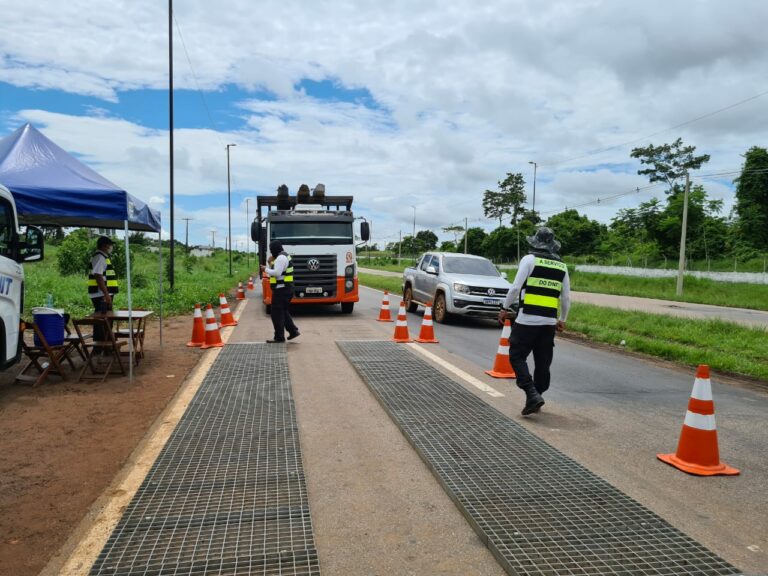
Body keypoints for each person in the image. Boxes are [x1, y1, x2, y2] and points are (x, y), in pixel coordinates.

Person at [499, 227, 570, 416]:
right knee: (543, 361)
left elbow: (515, 288)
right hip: (548, 323)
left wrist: (505, 308)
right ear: (552, 245)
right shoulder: (562, 266)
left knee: (516, 355)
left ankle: (531, 393)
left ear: (535, 242)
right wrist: (562, 319)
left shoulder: (529, 260)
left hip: (527, 320)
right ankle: (537, 394)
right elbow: (566, 298)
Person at [260, 240, 300, 343]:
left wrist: (265, 269)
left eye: (271, 249)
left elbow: (277, 273)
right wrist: (270, 263)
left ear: (274, 249)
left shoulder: (280, 258)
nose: (271, 251)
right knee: (282, 311)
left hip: (282, 290)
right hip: (285, 289)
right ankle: (293, 331)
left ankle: (279, 337)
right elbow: (279, 271)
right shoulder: (283, 256)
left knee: (276, 314)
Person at [88, 235, 119, 341]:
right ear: (104, 246)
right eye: (110, 245)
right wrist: (106, 294)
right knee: (103, 320)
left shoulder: (102, 257)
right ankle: (101, 344)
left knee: (106, 319)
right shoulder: (100, 257)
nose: (110, 247)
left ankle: (106, 344)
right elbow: (98, 276)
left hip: (103, 294)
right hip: (101, 294)